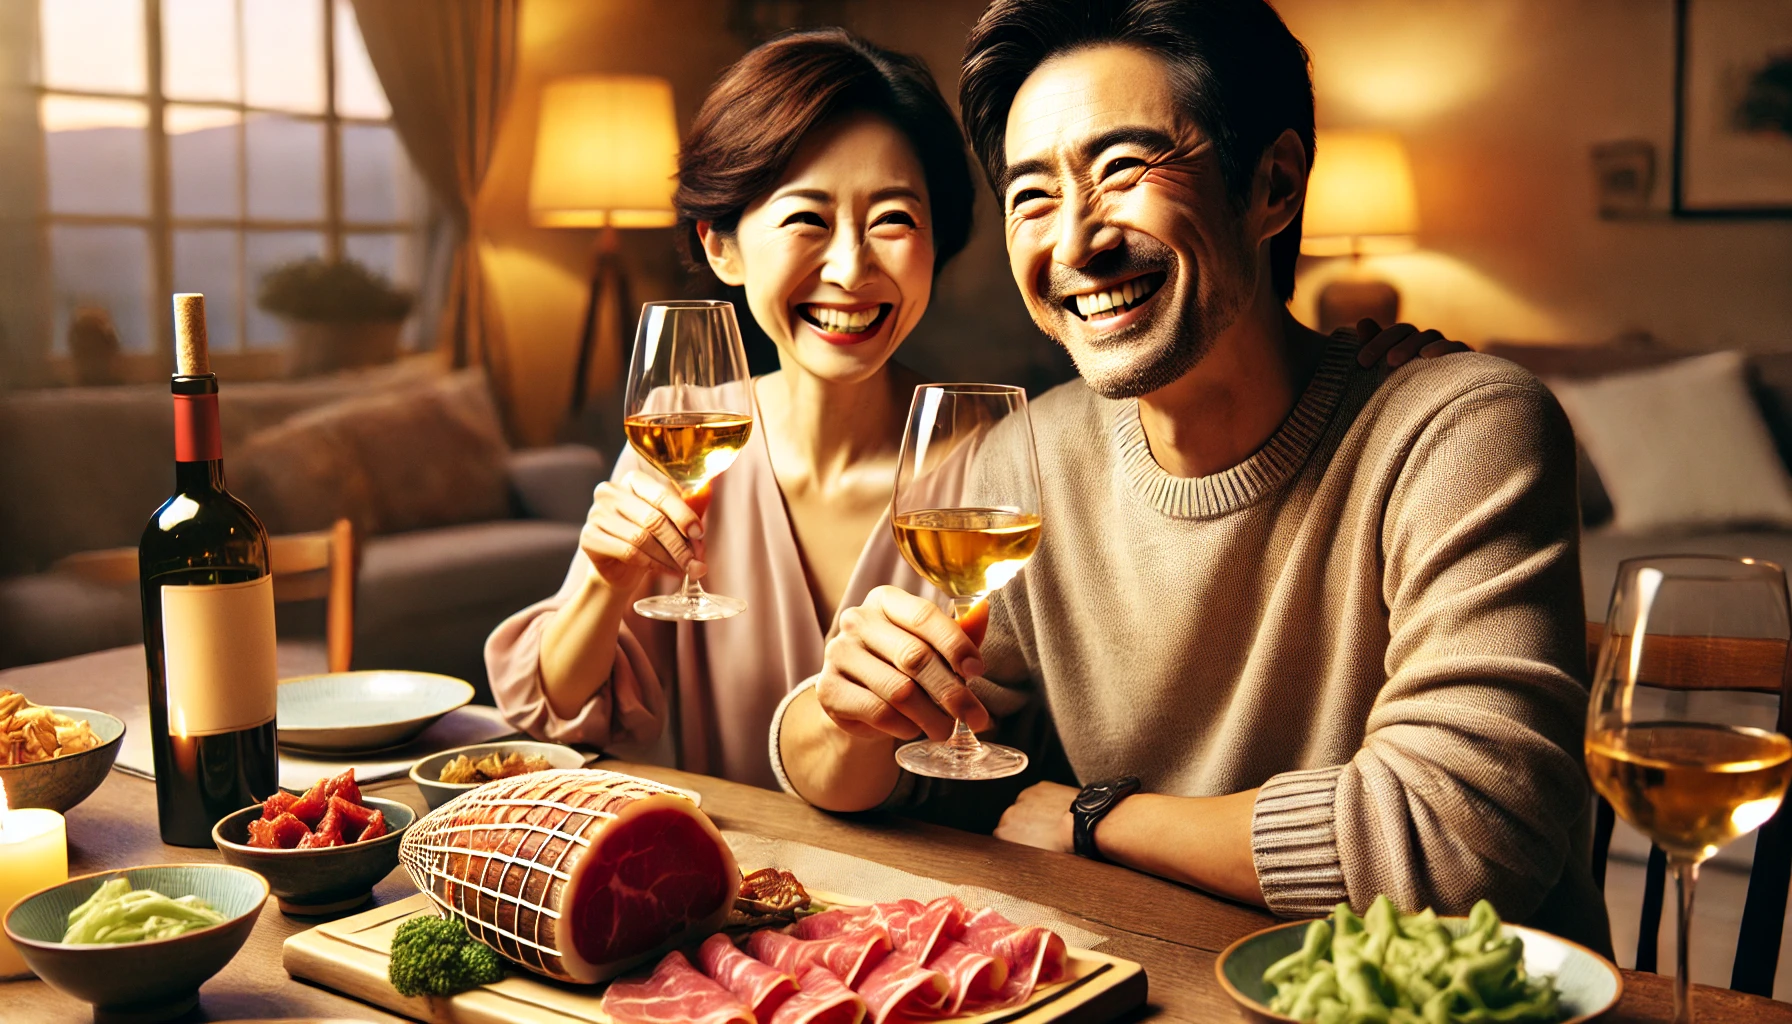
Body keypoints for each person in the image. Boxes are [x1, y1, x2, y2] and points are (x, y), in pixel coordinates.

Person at [773, 0, 1612, 955]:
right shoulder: (1026, 457)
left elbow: (1461, 837)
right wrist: (847, 712)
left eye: (1123, 170)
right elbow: (916, 768)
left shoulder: (1458, 428)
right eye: (1032, 196)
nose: (1076, 243)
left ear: (1273, 185)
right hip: (1159, 979)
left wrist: (1097, 818)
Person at [486, 27, 1460, 790]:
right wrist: (602, 584)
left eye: (893, 221)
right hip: (714, 894)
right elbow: (543, 720)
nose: (849, 268)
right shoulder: (689, 436)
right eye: (806, 220)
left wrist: (1351, 382)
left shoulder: (1003, 459)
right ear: (723, 247)